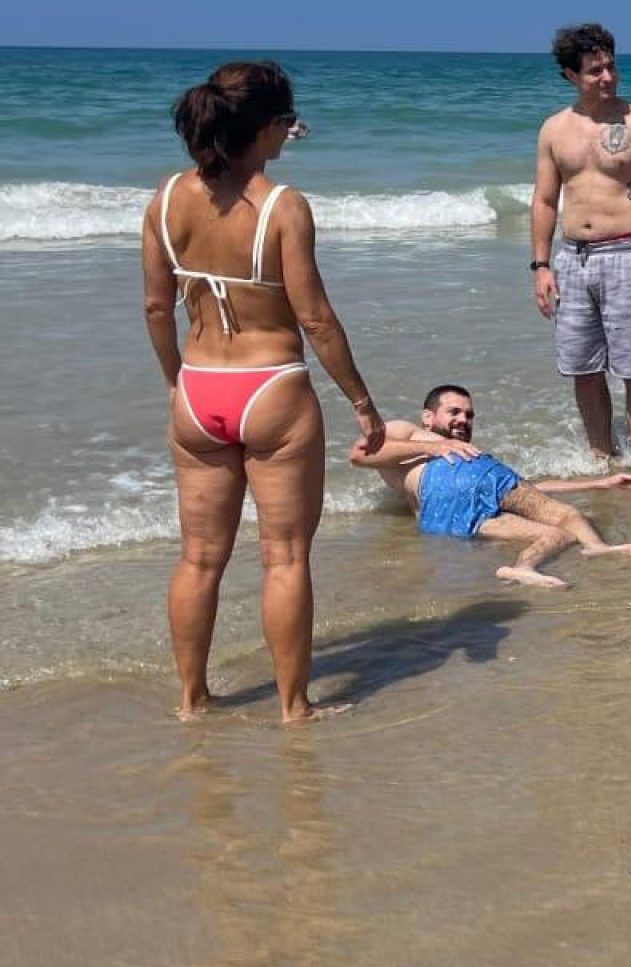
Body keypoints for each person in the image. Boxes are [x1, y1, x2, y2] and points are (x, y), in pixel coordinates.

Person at [141, 61, 385, 723]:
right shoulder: (284, 206)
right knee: (284, 555)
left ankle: (192, 701)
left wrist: (175, 381)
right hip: (270, 387)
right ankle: (292, 708)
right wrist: (362, 402)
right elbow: (315, 319)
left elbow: (157, 311)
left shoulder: (164, 200)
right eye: (287, 123)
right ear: (268, 126)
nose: (290, 135)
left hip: (199, 388)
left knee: (198, 558)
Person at [531, 23, 631, 487]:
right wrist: (540, 266)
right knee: (583, 368)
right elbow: (543, 201)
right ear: (569, 75)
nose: (607, 77)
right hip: (572, 259)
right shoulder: (555, 129)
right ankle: (601, 459)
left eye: (611, 66)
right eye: (595, 70)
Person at [349, 385, 631, 589]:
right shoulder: (410, 433)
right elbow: (360, 453)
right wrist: (435, 448)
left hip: (476, 494)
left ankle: (572, 554)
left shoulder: (466, 449)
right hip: (449, 496)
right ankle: (550, 560)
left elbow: (530, 486)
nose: (463, 419)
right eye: (453, 412)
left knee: (564, 523)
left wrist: (599, 482)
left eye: (469, 415)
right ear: (428, 417)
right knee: (561, 526)